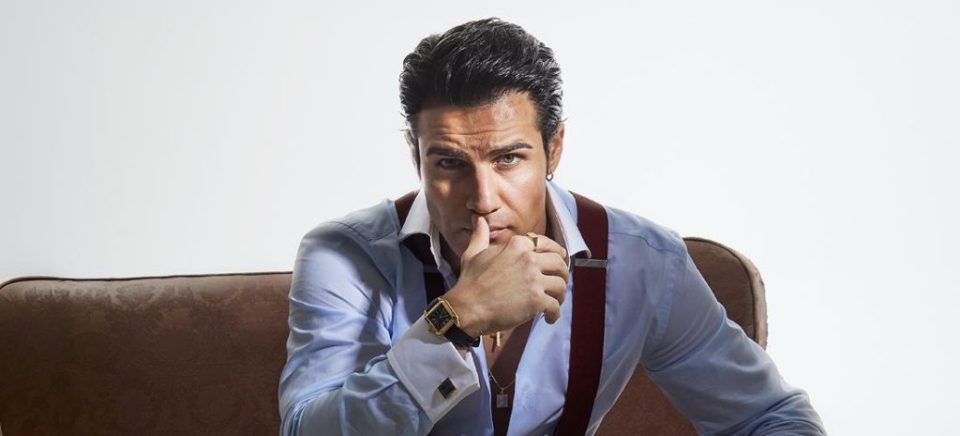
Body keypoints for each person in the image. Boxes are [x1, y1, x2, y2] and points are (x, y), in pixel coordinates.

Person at [278, 17, 825, 436]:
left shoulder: (642, 262)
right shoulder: (346, 256)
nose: (482, 200)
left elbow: (772, 417)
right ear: (414, 155)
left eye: (509, 159)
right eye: (448, 163)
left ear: (554, 148)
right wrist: (456, 320)